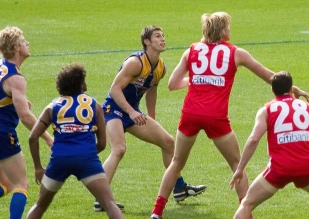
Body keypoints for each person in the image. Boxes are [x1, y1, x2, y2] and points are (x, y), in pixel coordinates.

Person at [150, 12, 309, 219]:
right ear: (222, 30)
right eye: (228, 26)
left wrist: (198, 80)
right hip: (216, 117)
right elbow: (269, 76)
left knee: (176, 163)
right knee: (237, 164)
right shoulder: (236, 53)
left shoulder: (191, 50)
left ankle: (157, 212)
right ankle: (246, 213)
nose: (230, 30)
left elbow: (172, 84)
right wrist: (293, 89)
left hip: (190, 113)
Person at [100, 26, 205, 213]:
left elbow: (151, 90)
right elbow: (114, 90)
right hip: (114, 109)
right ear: (147, 42)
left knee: (168, 142)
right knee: (119, 149)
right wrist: (131, 112)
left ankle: (179, 187)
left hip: (134, 112)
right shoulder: (135, 62)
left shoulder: (161, 67)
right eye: (157, 36)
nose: (163, 39)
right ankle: (102, 199)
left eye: (163, 36)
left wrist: (152, 118)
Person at [230, 71, 309, 219]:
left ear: (272, 90)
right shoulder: (307, 109)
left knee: (247, 204)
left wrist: (240, 169)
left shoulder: (266, 110)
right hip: (306, 167)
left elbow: (253, 139)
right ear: (292, 88)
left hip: (278, 169)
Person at [26, 64, 123, 219]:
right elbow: (103, 143)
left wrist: (38, 167)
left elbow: (33, 137)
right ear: (80, 84)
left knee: (39, 206)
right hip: (87, 159)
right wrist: (85, 155)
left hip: (59, 159)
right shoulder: (94, 105)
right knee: (109, 203)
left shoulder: (52, 106)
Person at [0, 26, 53, 219]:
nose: (27, 43)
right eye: (24, 41)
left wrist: (11, 103)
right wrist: (48, 138)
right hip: (3, 133)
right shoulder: (15, 77)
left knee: (4, 184)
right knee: (20, 185)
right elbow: (25, 116)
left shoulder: (1, 66)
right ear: (16, 47)